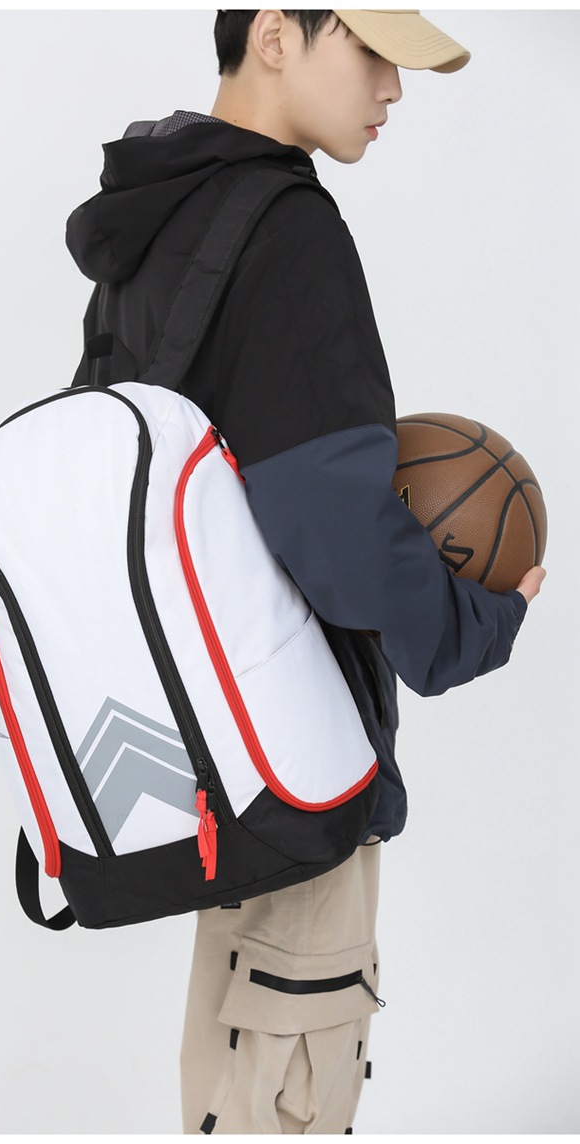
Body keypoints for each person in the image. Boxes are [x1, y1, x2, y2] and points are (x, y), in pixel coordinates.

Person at [66, 10, 546, 1134]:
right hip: (293, 749)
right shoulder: (286, 228)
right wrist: (469, 625)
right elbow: (327, 516)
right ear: (277, 33)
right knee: (290, 1081)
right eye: (372, 52)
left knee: (229, 1072)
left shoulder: (161, 219)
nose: (394, 89)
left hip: (203, 743)